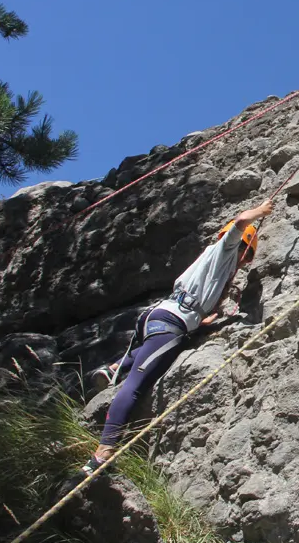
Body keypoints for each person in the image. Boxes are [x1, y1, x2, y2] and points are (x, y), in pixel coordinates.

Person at [81, 199, 274, 475]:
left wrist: (201, 321)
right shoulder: (226, 250)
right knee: (135, 386)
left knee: (159, 348)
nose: (244, 264)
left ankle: (115, 366)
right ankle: (103, 452)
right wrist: (261, 211)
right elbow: (242, 221)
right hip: (172, 321)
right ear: (246, 249)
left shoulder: (210, 258)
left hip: (159, 316)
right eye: (247, 258)